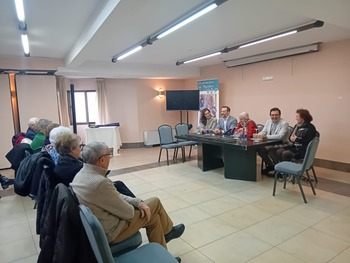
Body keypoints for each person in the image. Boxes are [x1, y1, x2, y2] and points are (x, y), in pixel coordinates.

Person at [70, 142, 184, 258]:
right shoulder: (99, 182)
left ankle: (164, 256)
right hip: (113, 231)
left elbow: (116, 195)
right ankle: (168, 232)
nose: (110, 158)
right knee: (155, 202)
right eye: (109, 155)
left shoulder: (82, 174)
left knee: (153, 218)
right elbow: (128, 213)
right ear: (102, 160)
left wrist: (138, 202)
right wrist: (139, 205)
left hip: (104, 226)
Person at [255, 107, 289, 175]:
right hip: (270, 143)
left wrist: (266, 137)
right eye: (272, 115)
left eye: (276, 115)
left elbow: (280, 136)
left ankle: (278, 168)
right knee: (259, 149)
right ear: (270, 115)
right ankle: (270, 165)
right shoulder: (268, 121)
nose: (274, 116)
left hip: (282, 144)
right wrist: (258, 135)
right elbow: (264, 131)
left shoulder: (284, 123)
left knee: (271, 150)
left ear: (280, 115)